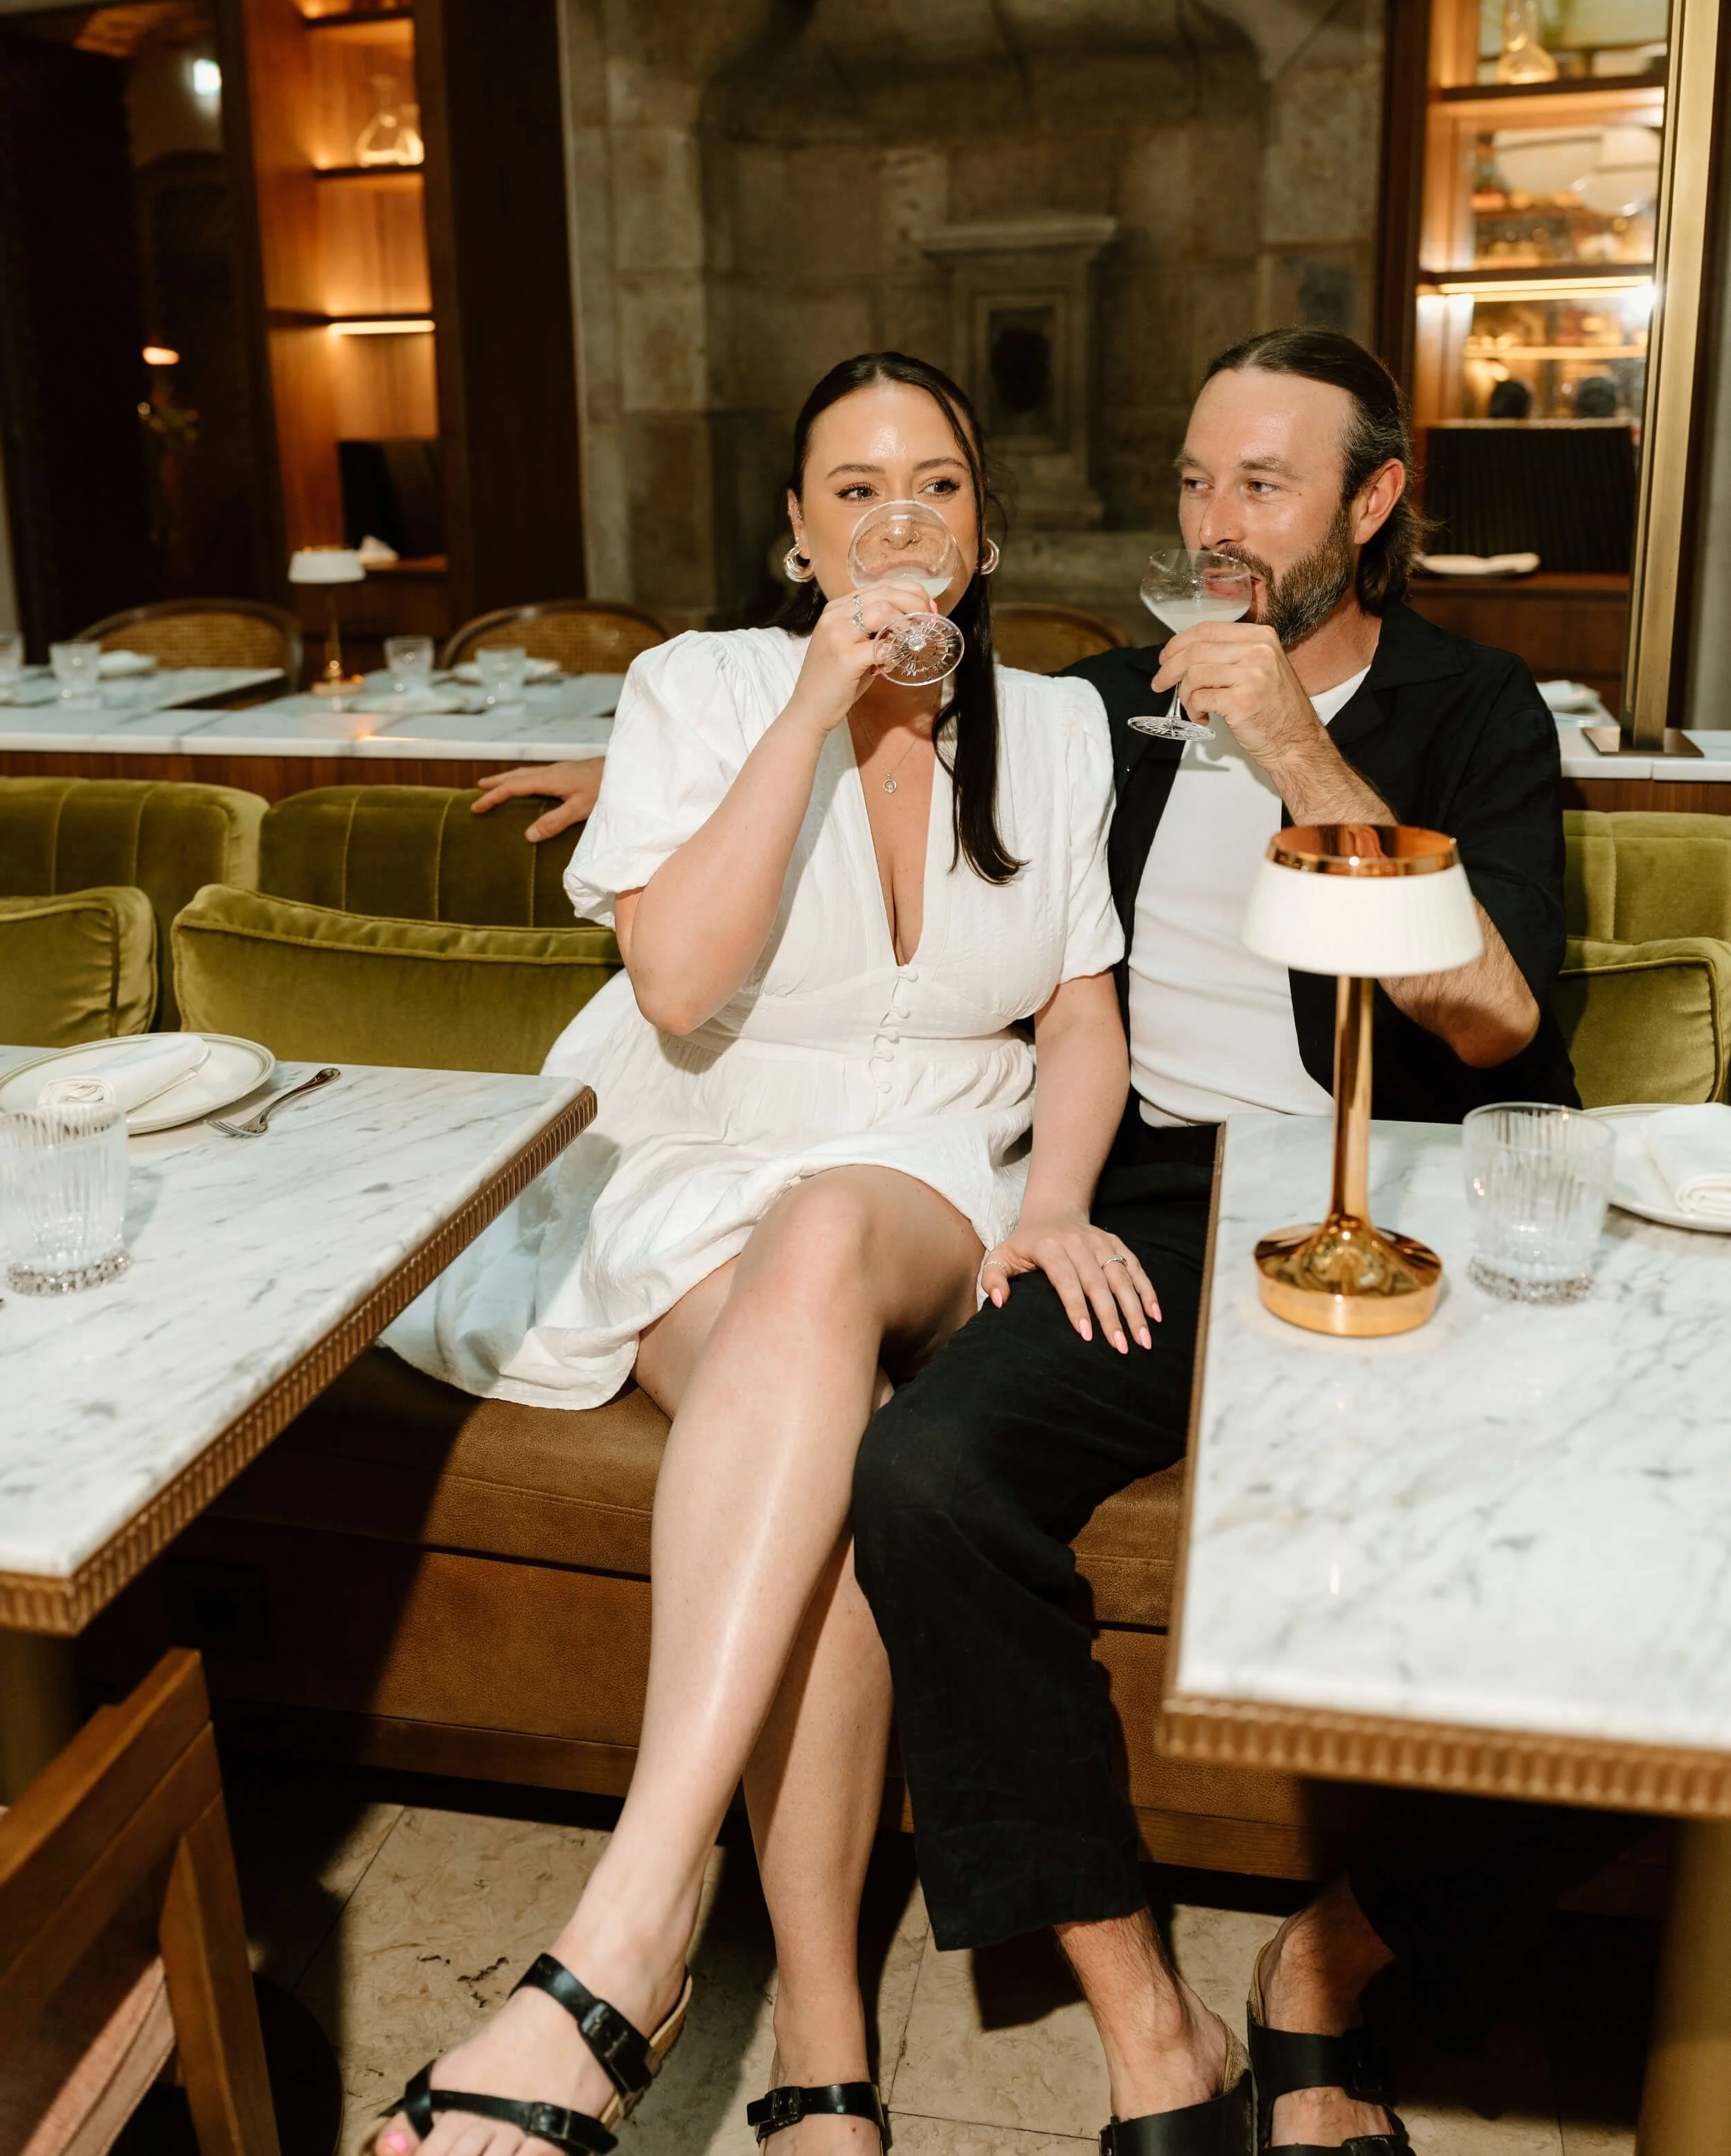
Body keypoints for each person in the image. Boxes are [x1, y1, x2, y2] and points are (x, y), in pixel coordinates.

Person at [370, 352, 1147, 2156]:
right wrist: (805, 714)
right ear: (795, 533)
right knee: (835, 1460)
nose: (898, 521)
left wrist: (1057, 1200)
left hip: (937, 1162)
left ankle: (620, 1940)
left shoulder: (1059, 727)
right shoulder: (696, 687)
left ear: (985, 518)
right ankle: (820, 2034)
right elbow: (677, 986)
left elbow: (1084, 1008)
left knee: (823, 1242)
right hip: (690, 1144)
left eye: (935, 483)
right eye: (854, 488)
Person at [850, 328, 1615, 2156]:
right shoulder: (1096, 703)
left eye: (1263, 485)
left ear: (1369, 500)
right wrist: (662, 789)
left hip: (1389, 1193)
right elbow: (877, 756)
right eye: (1196, 480)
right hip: (1149, 1201)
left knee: (1618, 1562)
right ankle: (1150, 2022)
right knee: (925, 1474)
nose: (1216, 525)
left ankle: (1329, 1963)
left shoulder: (1469, 711)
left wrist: (1290, 747)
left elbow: (1494, 1019)